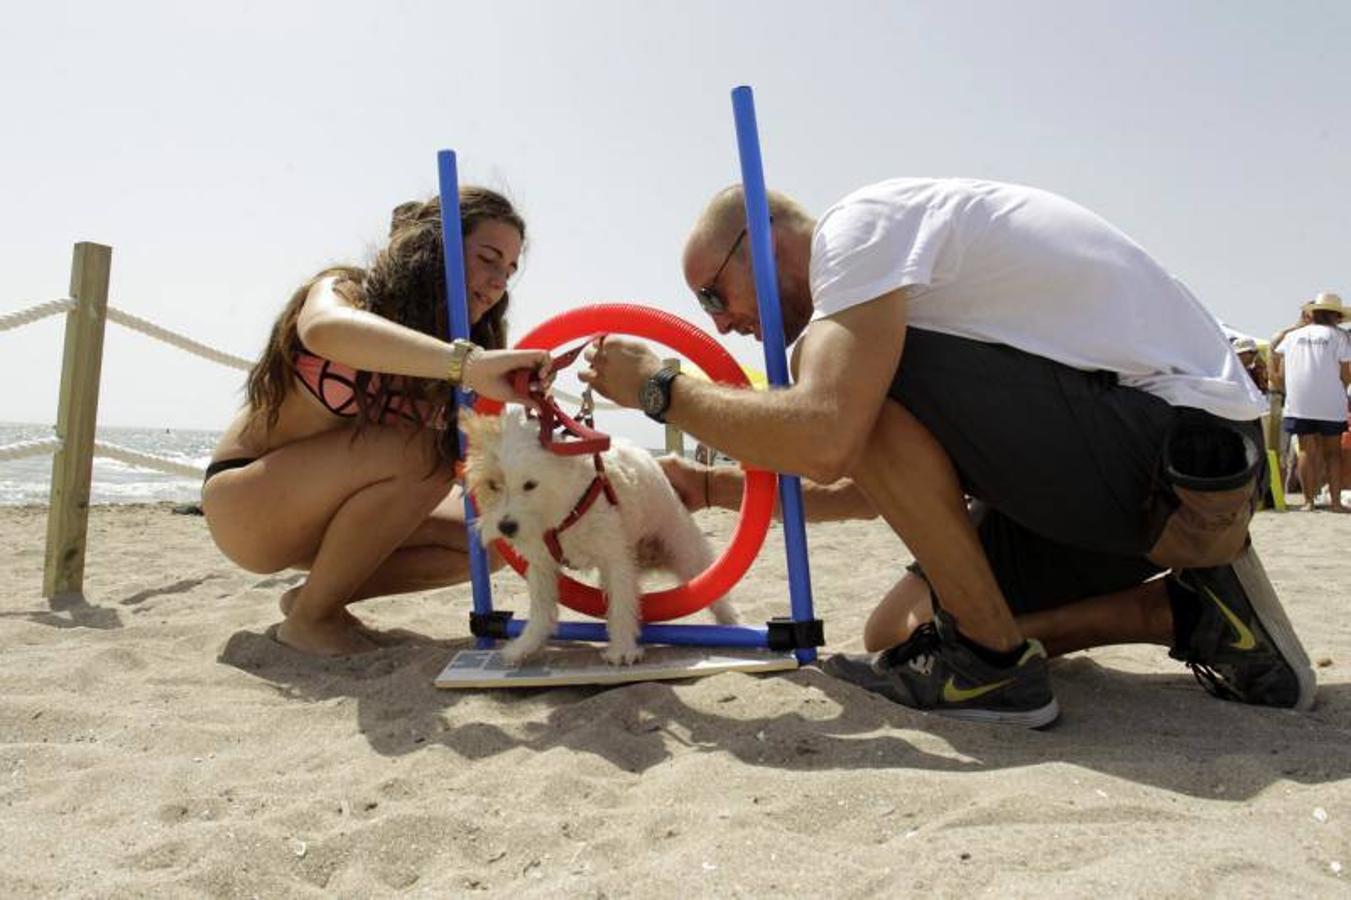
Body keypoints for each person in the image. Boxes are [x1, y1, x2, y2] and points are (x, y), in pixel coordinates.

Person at [581, 178, 1316, 727]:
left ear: (765, 240)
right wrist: (711, 491)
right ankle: (1184, 615)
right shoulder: (903, 287)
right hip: (1154, 490)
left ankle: (992, 664)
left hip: (1172, 451)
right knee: (894, 635)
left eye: (714, 295)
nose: (726, 322)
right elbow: (878, 485)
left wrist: (661, 390)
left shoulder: (860, 230)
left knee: (848, 389)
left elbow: (831, 435)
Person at [202, 190, 549, 657]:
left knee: (490, 538)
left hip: (332, 521)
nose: (497, 282)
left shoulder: (456, 345)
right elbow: (324, 330)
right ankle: (312, 621)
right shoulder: (350, 291)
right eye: (488, 258)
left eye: (508, 270)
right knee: (422, 455)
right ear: (435, 248)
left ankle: (314, 599)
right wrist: (466, 363)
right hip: (249, 505)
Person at [1270, 292, 1351, 512]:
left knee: (1306, 450)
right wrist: (1340, 388)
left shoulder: (1292, 336)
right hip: (1330, 402)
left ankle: (1308, 502)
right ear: (1335, 315)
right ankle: (1335, 503)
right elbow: (1347, 374)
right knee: (1332, 453)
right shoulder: (1340, 337)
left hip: (1299, 402)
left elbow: (1283, 371)